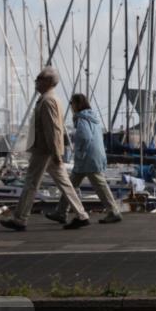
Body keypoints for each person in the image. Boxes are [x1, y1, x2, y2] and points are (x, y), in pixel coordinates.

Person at [0, 67, 91, 231]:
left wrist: (56, 152)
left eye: (39, 78)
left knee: (31, 183)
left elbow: (54, 129)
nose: (36, 81)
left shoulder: (48, 101)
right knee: (64, 183)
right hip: (48, 150)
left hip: (44, 150)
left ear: (49, 81)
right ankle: (82, 214)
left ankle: (20, 219)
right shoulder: (48, 99)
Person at [45, 93, 122, 225]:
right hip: (94, 155)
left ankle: (113, 211)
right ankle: (61, 211)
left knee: (98, 185)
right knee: (71, 184)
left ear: (77, 104)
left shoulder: (82, 119)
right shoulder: (92, 117)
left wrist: (79, 152)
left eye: (71, 103)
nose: (70, 106)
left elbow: (85, 137)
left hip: (87, 157)